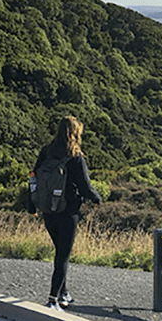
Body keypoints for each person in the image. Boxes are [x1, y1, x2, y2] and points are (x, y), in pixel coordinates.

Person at [29, 115, 102, 310]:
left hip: (48, 210)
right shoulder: (76, 158)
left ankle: (63, 293)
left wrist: (33, 205)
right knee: (63, 256)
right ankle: (53, 299)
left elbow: (34, 177)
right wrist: (97, 198)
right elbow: (85, 186)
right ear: (75, 133)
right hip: (68, 212)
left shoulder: (46, 152)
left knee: (60, 252)